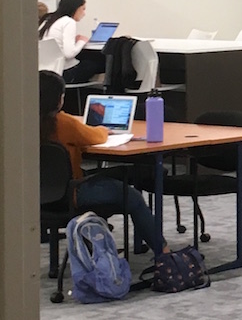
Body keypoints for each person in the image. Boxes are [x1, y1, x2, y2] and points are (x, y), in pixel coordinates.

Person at [39, 70, 169, 256]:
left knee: (117, 177)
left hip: (38, 195)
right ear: (59, 99)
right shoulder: (64, 122)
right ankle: (164, 254)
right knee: (132, 197)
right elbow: (95, 137)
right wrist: (103, 129)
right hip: (72, 193)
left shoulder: (22, 123)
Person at [38, 0, 103, 83]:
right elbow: (69, 53)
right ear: (75, 8)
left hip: (45, 71)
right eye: (83, 9)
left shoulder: (48, 19)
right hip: (64, 72)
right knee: (98, 62)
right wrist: (82, 41)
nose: (84, 13)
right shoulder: (68, 22)